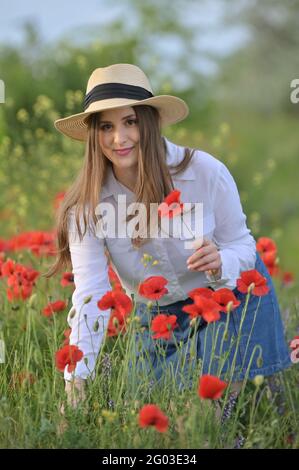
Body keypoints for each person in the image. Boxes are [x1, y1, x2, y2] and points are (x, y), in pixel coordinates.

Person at [45, 63, 292, 415]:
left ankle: (272, 410)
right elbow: (91, 295)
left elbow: (242, 245)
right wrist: (76, 379)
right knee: (147, 413)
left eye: (130, 122)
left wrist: (222, 260)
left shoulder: (204, 172)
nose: (120, 139)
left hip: (228, 298)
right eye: (106, 127)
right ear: (93, 135)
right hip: (160, 319)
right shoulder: (86, 207)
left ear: (149, 121)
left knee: (208, 416)